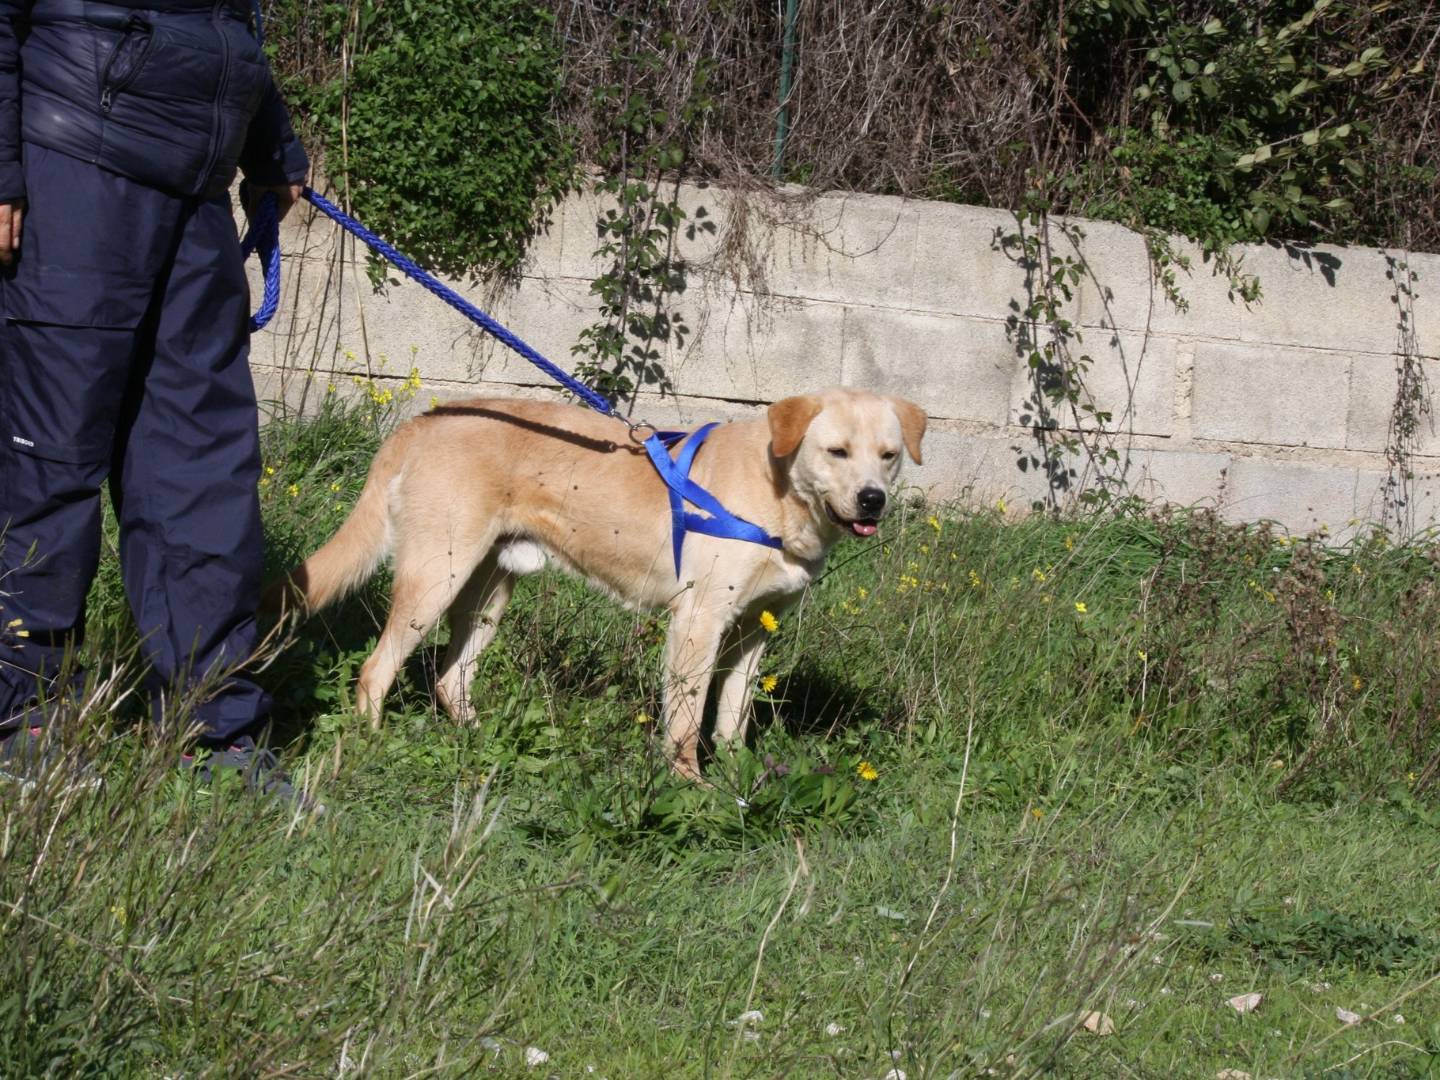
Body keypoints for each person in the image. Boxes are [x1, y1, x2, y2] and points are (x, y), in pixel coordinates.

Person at [0, 0, 314, 806]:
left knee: (201, 464)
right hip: (72, 162)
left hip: (196, 187)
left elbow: (225, 23)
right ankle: (23, 720)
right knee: (51, 454)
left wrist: (268, 136)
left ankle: (210, 727)